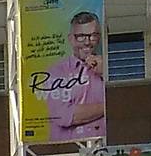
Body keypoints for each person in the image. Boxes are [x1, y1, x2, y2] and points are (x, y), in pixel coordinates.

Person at [39, 11, 107, 141]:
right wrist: (108, 106)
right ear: (70, 39)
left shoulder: (107, 68)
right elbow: (65, 115)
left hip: (105, 148)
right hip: (68, 152)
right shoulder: (55, 72)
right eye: (81, 36)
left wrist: (105, 73)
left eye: (93, 36)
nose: (87, 42)